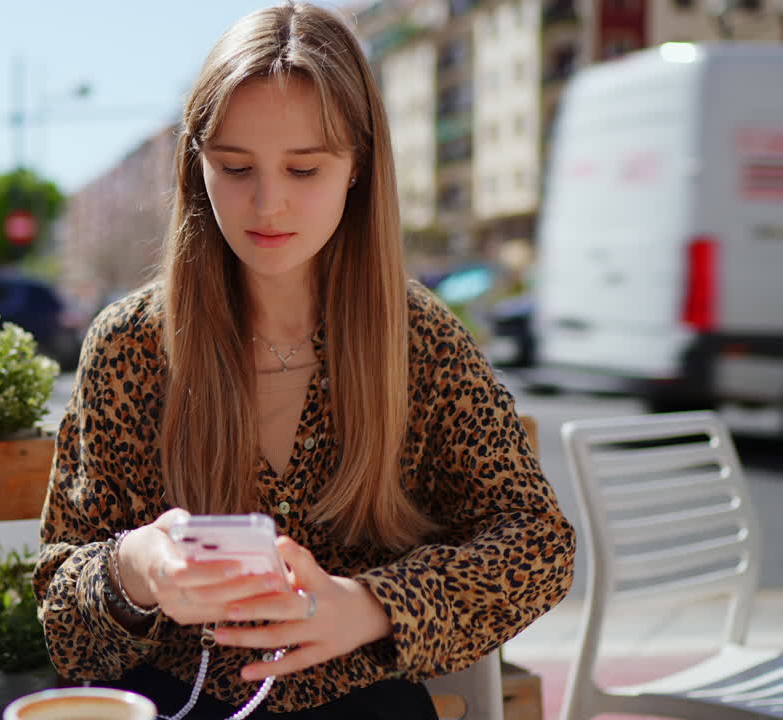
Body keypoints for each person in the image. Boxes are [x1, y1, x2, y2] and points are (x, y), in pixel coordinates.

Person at [34, 2, 576, 718]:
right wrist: (135, 569)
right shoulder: (129, 343)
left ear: (357, 169)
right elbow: (63, 626)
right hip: (178, 702)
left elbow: (538, 543)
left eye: (304, 168)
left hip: (363, 701)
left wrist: (370, 606)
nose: (269, 203)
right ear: (196, 165)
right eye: (234, 166)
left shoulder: (419, 340)